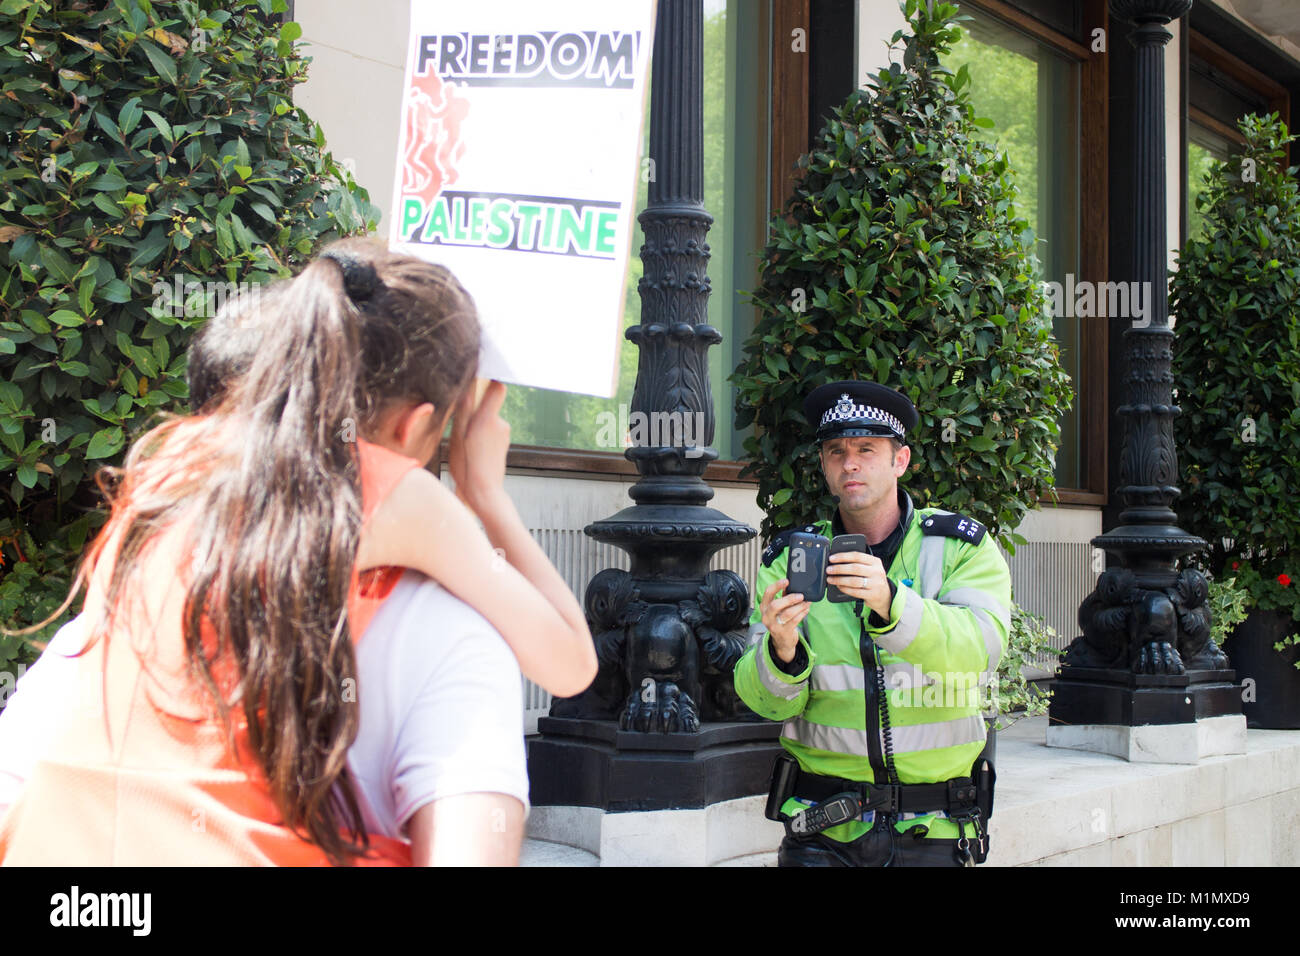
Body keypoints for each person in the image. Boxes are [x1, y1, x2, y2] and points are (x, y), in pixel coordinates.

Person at [0, 240, 594, 865]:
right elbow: (569, 663)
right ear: (417, 424)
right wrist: (485, 493)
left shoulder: (176, 466)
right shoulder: (390, 490)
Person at [733, 380, 1011, 867]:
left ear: (899, 461)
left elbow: (981, 652)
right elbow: (768, 706)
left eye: (866, 448)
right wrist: (781, 652)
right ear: (824, 465)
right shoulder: (790, 560)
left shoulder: (960, 548)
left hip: (937, 829)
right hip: (821, 829)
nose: (850, 464)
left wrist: (891, 603)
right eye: (836, 451)